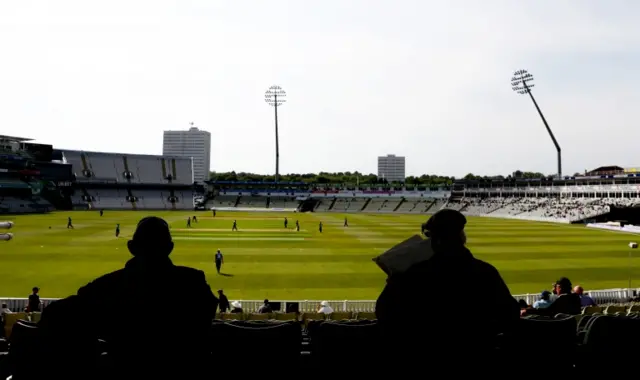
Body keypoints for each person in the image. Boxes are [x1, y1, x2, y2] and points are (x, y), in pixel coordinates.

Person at [39, 216, 218, 378]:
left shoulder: (106, 286)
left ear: (131, 248)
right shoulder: (193, 282)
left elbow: (53, 314)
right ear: (170, 248)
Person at [375, 209, 520, 372]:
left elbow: (384, 313)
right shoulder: (485, 272)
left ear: (435, 241)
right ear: (461, 238)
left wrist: (394, 281)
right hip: (477, 360)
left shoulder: (415, 274)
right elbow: (510, 315)